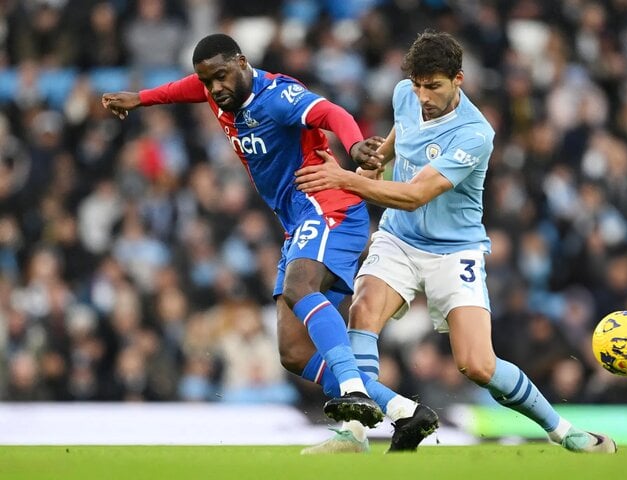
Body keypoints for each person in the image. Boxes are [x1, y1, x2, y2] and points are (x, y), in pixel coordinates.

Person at [102, 34, 438, 442]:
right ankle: (406, 411)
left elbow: (330, 112)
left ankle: (352, 389)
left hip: (326, 204)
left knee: (300, 288)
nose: (215, 89)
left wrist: (354, 147)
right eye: (208, 82)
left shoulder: (278, 96)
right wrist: (140, 98)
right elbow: (185, 88)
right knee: (294, 353)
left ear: (242, 62)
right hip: (297, 222)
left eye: (222, 77)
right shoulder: (216, 91)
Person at [296, 30, 617, 454]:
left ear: (458, 80)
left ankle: (563, 431)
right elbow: (401, 136)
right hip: (398, 239)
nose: (423, 95)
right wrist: (377, 160)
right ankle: (354, 432)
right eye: (418, 85)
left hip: (453, 251)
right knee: (362, 311)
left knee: (477, 364)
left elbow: (414, 195)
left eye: (434, 86)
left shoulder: (475, 134)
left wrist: (345, 180)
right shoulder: (404, 95)